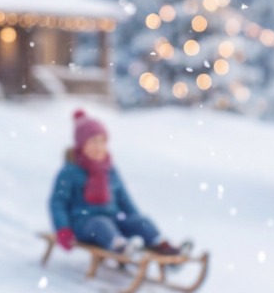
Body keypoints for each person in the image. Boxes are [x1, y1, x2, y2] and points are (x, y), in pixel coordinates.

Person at [49, 110, 184, 257]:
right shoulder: (70, 171)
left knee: (142, 221)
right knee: (101, 224)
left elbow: (124, 199)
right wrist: (63, 230)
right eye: (93, 142)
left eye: (102, 141)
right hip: (83, 223)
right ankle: (120, 247)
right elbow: (58, 203)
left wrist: (138, 223)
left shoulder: (109, 169)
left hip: (114, 220)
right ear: (81, 145)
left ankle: (161, 244)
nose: (99, 147)